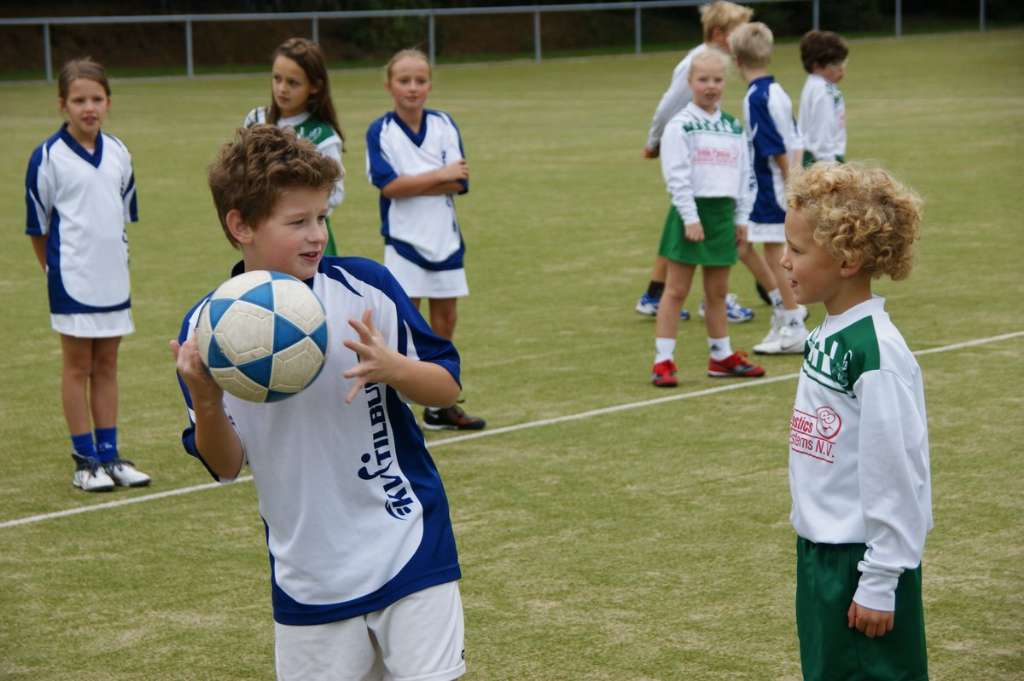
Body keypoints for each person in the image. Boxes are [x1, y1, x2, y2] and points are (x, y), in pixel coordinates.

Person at [171, 125, 466, 681]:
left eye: (322, 217)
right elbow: (225, 465)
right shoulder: (207, 329)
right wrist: (207, 401)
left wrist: (396, 369)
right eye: (297, 221)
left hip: (407, 541)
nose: (317, 236)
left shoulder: (366, 288)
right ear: (241, 225)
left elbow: (447, 386)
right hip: (309, 573)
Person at [783, 163, 930, 681]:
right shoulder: (830, 330)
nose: (784, 261)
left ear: (846, 259)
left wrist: (880, 578)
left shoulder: (876, 352)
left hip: (860, 562)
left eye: (797, 251)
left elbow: (898, 471)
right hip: (820, 553)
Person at [24, 58, 151, 492]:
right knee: (77, 366)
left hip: (113, 278)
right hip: (71, 280)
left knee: (109, 364)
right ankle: (85, 461)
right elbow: (37, 227)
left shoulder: (120, 152)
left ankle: (110, 456)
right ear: (63, 104)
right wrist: (54, 269)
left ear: (108, 102)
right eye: (79, 100)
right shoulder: (47, 157)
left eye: (96, 99)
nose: (89, 107)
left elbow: (121, 216)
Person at [365, 48, 485, 431]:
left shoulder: (445, 124)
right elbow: (390, 187)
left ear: (430, 84)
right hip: (404, 241)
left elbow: (460, 180)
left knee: (444, 323)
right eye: (404, 80)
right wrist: (438, 175)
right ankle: (393, 409)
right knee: (400, 324)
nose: (412, 88)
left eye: (420, 80)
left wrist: (417, 181)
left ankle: (439, 405)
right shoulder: (380, 131)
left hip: (445, 240)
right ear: (389, 85)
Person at [636, 0, 760, 324]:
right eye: (738, 31)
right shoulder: (696, 62)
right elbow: (668, 106)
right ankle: (709, 298)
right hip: (690, 150)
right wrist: (654, 141)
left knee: (679, 221)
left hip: (706, 148)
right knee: (693, 219)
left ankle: (654, 293)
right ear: (720, 33)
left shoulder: (714, 60)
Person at [650, 48, 764, 387]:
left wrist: (741, 218)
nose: (711, 86)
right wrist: (690, 217)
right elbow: (677, 175)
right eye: (703, 80)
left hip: (723, 217)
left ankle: (721, 356)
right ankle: (663, 360)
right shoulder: (680, 125)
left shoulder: (732, 127)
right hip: (691, 216)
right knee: (676, 291)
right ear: (690, 83)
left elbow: (745, 175)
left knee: (717, 293)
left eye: (717, 80)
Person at [730, 22, 810, 355]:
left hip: (770, 185)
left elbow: (773, 146)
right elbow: (795, 139)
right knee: (759, 248)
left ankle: (793, 322)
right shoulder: (776, 90)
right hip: (782, 181)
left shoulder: (756, 97)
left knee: (776, 254)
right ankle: (785, 315)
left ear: (736, 60)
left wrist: (789, 183)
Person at [243, 37, 346, 256]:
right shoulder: (255, 120)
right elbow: (241, 175)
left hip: (308, 243)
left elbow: (335, 193)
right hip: (265, 237)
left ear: (315, 86)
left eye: (293, 82)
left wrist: (296, 212)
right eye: (277, 79)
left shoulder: (323, 135)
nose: (282, 89)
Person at [798, 30, 848, 168]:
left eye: (842, 63)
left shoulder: (818, 85)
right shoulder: (822, 90)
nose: (841, 69)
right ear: (816, 66)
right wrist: (830, 167)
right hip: (822, 161)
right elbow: (822, 132)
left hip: (823, 159)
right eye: (835, 64)